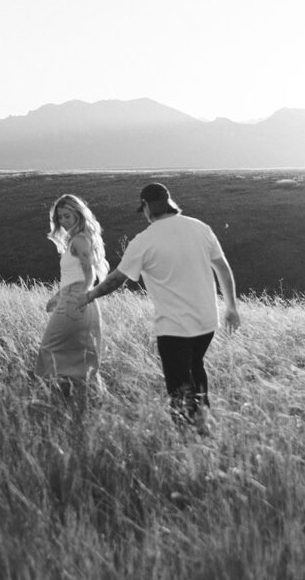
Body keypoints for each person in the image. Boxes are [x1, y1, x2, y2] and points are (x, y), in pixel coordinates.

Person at [80, 182, 240, 432]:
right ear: (169, 202)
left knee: (179, 387)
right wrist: (231, 307)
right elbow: (222, 267)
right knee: (196, 368)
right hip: (207, 321)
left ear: (145, 207)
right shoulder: (200, 227)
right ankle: (204, 424)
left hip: (174, 327)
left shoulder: (143, 240)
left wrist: (88, 296)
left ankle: (190, 437)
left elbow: (115, 280)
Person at [35, 194, 110, 392]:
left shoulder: (79, 240)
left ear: (79, 214)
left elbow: (89, 271)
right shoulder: (74, 240)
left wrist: (82, 296)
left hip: (76, 298)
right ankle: (74, 393)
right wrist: (57, 297)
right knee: (77, 349)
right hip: (72, 296)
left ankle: (54, 392)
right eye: (60, 217)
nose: (64, 221)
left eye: (67, 216)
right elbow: (73, 274)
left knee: (49, 346)